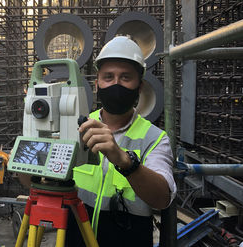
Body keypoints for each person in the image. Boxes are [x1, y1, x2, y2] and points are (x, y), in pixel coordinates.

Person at [66, 36, 177, 247]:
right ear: (97, 83)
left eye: (125, 77)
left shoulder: (154, 138)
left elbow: (162, 198)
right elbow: (31, 182)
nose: (116, 84)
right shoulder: (79, 127)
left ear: (140, 85)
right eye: (108, 77)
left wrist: (126, 161)